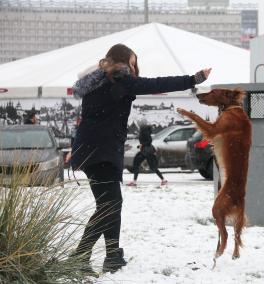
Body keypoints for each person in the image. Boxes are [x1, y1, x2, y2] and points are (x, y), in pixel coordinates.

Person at [70, 43, 211, 273]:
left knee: (108, 204)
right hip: (102, 151)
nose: (134, 69)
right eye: (132, 63)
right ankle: (81, 256)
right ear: (121, 61)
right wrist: (192, 79)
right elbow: (156, 84)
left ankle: (112, 256)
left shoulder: (96, 80)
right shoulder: (120, 78)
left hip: (90, 149)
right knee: (110, 205)